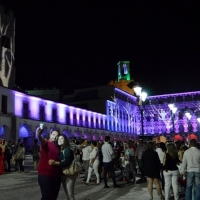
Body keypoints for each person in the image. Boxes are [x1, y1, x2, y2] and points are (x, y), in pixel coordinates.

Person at [49, 134, 75, 200]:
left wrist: (55, 163)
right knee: (67, 194)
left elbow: (66, 162)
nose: (60, 140)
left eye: (62, 138)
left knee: (70, 195)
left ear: (65, 140)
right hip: (63, 174)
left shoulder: (67, 149)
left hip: (69, 174)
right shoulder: (61, 150)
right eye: (59, 139)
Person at [37, 128, 61, 200]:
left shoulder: (57, 147)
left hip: (56, 176)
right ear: (50, 135)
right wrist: (39, 135)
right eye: (53, 135)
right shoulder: (46, 143)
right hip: (45, 176)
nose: (55, 137)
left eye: (57, 136)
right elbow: (42, 141)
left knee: (54, 197)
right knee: (46, 197)